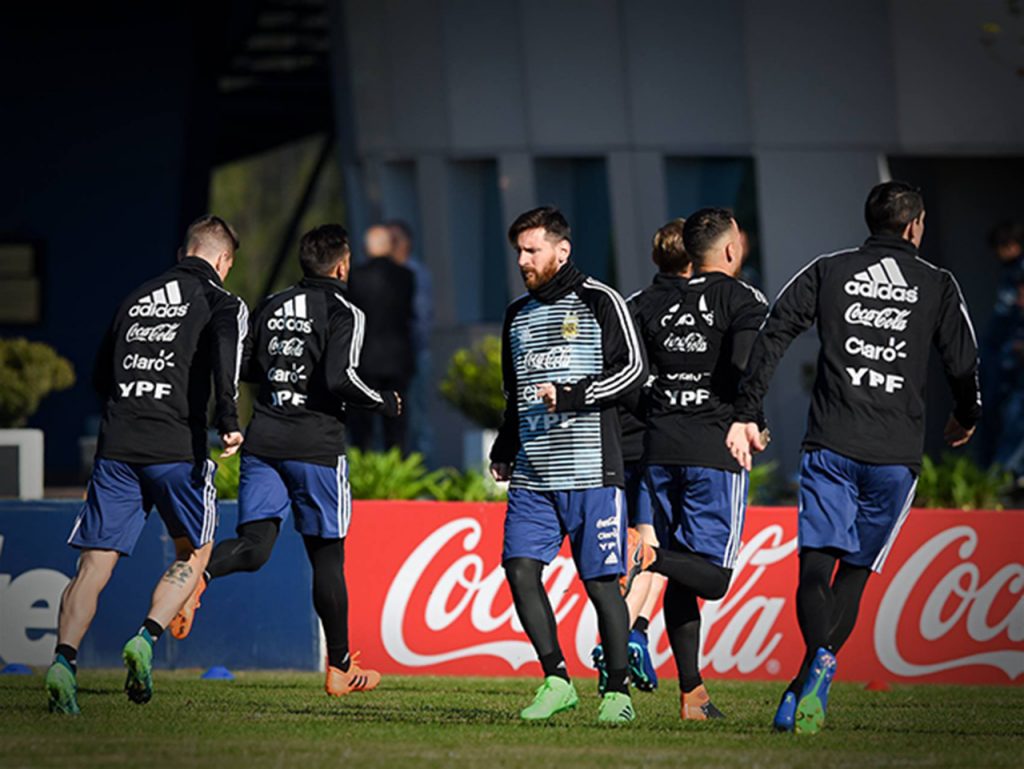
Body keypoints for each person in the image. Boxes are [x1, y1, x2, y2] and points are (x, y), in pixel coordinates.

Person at [725, 181, 980, 734]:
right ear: (914, 226)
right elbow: (963, 362)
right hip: (895, 457)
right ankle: (809, 681)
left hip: (830, 445)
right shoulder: (937, 283)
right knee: (854, 579)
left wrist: (749, 407)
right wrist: (968, 413)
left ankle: (806, 679)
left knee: (815, 572)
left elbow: (774, 333)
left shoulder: (829, 270)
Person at [170, 224, 401, 696]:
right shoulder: (345, 311)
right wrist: (384, 401)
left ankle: (197, 578)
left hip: (264, 443)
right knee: (327, 557)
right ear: (342, 266)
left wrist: (284, 372)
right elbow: (340, 379)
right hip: (316, 448)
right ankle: (340, 668)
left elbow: (246, 366)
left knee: (254, 545)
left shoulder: (273, 304)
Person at [45, 215, 248, 714]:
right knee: (195, 551)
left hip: (118, 445)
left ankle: (63, 662)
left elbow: (101, 374)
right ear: (223, 261)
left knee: (93, 565)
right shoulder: (221, 301)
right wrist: (228, 420)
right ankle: (145, 638)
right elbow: (227, 362)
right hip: (176, 446)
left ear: (183, 253)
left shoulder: (135, 298)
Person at [489, 206, 646, 724]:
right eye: (518, 251)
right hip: (534, 475)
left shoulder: (601, 300)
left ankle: (617, 693)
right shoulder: (516, 315)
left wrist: (574, 395)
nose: (522, 260)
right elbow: (514, 394)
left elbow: (634, 371)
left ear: (562, 250)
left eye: (532, 250)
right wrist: (505, 447)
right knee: (520, 569)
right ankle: (556, 680)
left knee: (601, 584)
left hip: (591, 470)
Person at [620, 209, 770, 721]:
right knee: (713, 577)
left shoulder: (645, 303)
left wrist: (659, 410)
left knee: (682, 575)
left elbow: (628, 377)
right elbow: (746, 366)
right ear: (730, 249)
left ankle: (693, 695)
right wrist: (752, 419)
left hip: (659, 448)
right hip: (714, 450)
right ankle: (644, 556)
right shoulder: (743, 299)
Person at [592, 218, 691, 695]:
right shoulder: (700, 309)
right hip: (659, 443)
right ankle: (618, 641)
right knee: (654, 548)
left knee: (644, 550)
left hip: (618, 443)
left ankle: (636, 635)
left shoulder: (628, 307)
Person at [346, 224, 416, 454]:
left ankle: (363, 463)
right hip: (397, 357)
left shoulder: (355, 277)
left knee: (362, 423)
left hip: (363, 357)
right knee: (395, 421)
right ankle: (395, 464)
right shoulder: (405, 276)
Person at [387, 220, 434, 459]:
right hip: (392, 357)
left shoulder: (414, 274)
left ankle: (420, 469)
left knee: (416, 418)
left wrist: (415, 350)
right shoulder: (385, 274)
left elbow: (421, 317)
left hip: (413, 354)